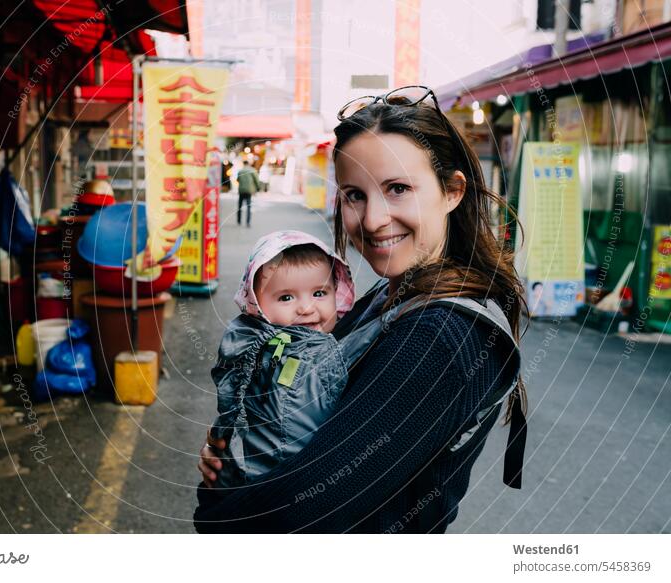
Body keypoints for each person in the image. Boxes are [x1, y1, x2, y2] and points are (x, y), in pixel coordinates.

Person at [194, 86, 527, 533]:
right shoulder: (395, 295)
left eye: (398, 188)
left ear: (452, 192)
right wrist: (238, 445)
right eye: (355, 195)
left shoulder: (439, 337)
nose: (372, 220)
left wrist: (217, 505)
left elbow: (309, 508)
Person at [210, 230, 356, 488]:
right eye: (286, 297)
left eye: (320, 293)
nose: (307, 308)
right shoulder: (295, 353)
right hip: (277, 491)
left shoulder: (249, 342)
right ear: (257, 305)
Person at [236, 160, 260, 226]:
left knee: (240, 206)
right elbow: (256, 180)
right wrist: (258, 188)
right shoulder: (252, 170)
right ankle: (248, 222)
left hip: (241, 190)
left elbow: (237, 180)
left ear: (243, 164)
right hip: (249, 190)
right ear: (248, 164)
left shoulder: (240, 171)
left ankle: (239, 221)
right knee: (248, 206)